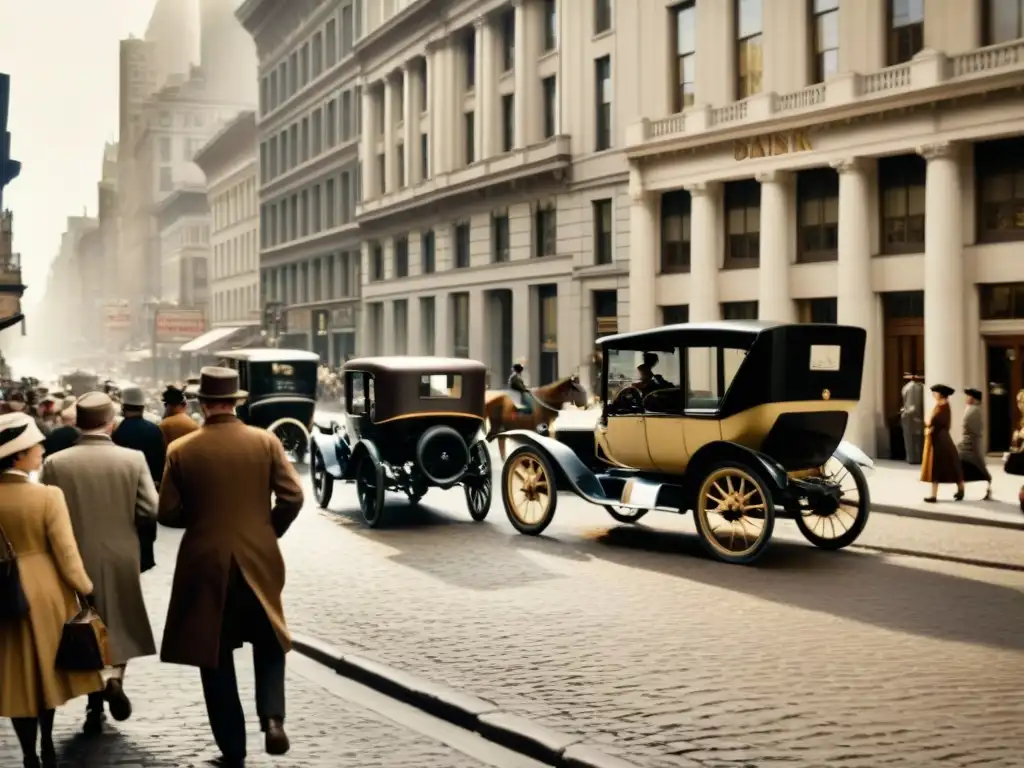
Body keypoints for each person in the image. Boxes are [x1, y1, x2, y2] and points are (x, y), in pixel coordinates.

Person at [158, 367, 303, 766]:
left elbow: (167, 512)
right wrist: (266, 531)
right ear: (236, 402)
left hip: (206, 562)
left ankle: (232, 749)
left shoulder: (182, 450)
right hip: (259, 556)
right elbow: (293, 497)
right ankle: (273, 718)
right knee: (271, 640)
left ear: (203, 405)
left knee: (214, 654)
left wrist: (206, 519)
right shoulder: (265, 441)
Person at [39, 392, 158, 735]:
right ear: (111, 422)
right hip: (120, 554)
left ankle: (94, 697)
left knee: (82, 626)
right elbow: (150, 509)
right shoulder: (132, 459)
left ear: (78, 422)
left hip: (70, 556)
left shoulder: (56, 462)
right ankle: (114, 678)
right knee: (117, 623)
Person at [0, 413, 103, 767]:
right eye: (35, 446)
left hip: (4, 590)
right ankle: (46, 744)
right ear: (18, 455)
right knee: (46, 670)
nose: (41, 450)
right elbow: (67, 553)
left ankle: (28, 752)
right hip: (45, 588)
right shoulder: (47, 496)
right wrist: (86, 589)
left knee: (17, 673)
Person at [112, 387, 166, 489]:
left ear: (123, 407)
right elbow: (161, 462)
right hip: (150, 485)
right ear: (142, 408)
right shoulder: (154, 430)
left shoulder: (118, 431)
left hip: (124, 486)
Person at [921, 383, 964, 503]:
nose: (934, 395)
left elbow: (936, 421)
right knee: (943, 467)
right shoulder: (940, 405)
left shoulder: (943, 406)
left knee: (941, 466)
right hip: (937, 439)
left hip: (940, 441)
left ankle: (958, 489)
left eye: (935, 393)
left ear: (940, 394)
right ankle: (936, 494)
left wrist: (929, 423)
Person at [958, 387, 992, 500]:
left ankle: (988, 487)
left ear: (973, 398)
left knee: (978, 467)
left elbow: (975, 430)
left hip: (971, 445)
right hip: (968, 444)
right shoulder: (971, 409)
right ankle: (961, 490)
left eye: (969, 396)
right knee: (962, 467)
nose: (967, 398)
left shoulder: (974, 410)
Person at [899, 372, 925, 464]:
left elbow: (911, 406)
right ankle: (916, 458)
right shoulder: (917, 387)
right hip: (915, 415)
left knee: (911, 439)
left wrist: (904, 411)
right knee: (916, 439)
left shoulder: (911, 387)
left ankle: (912, 458)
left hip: (911, 415)